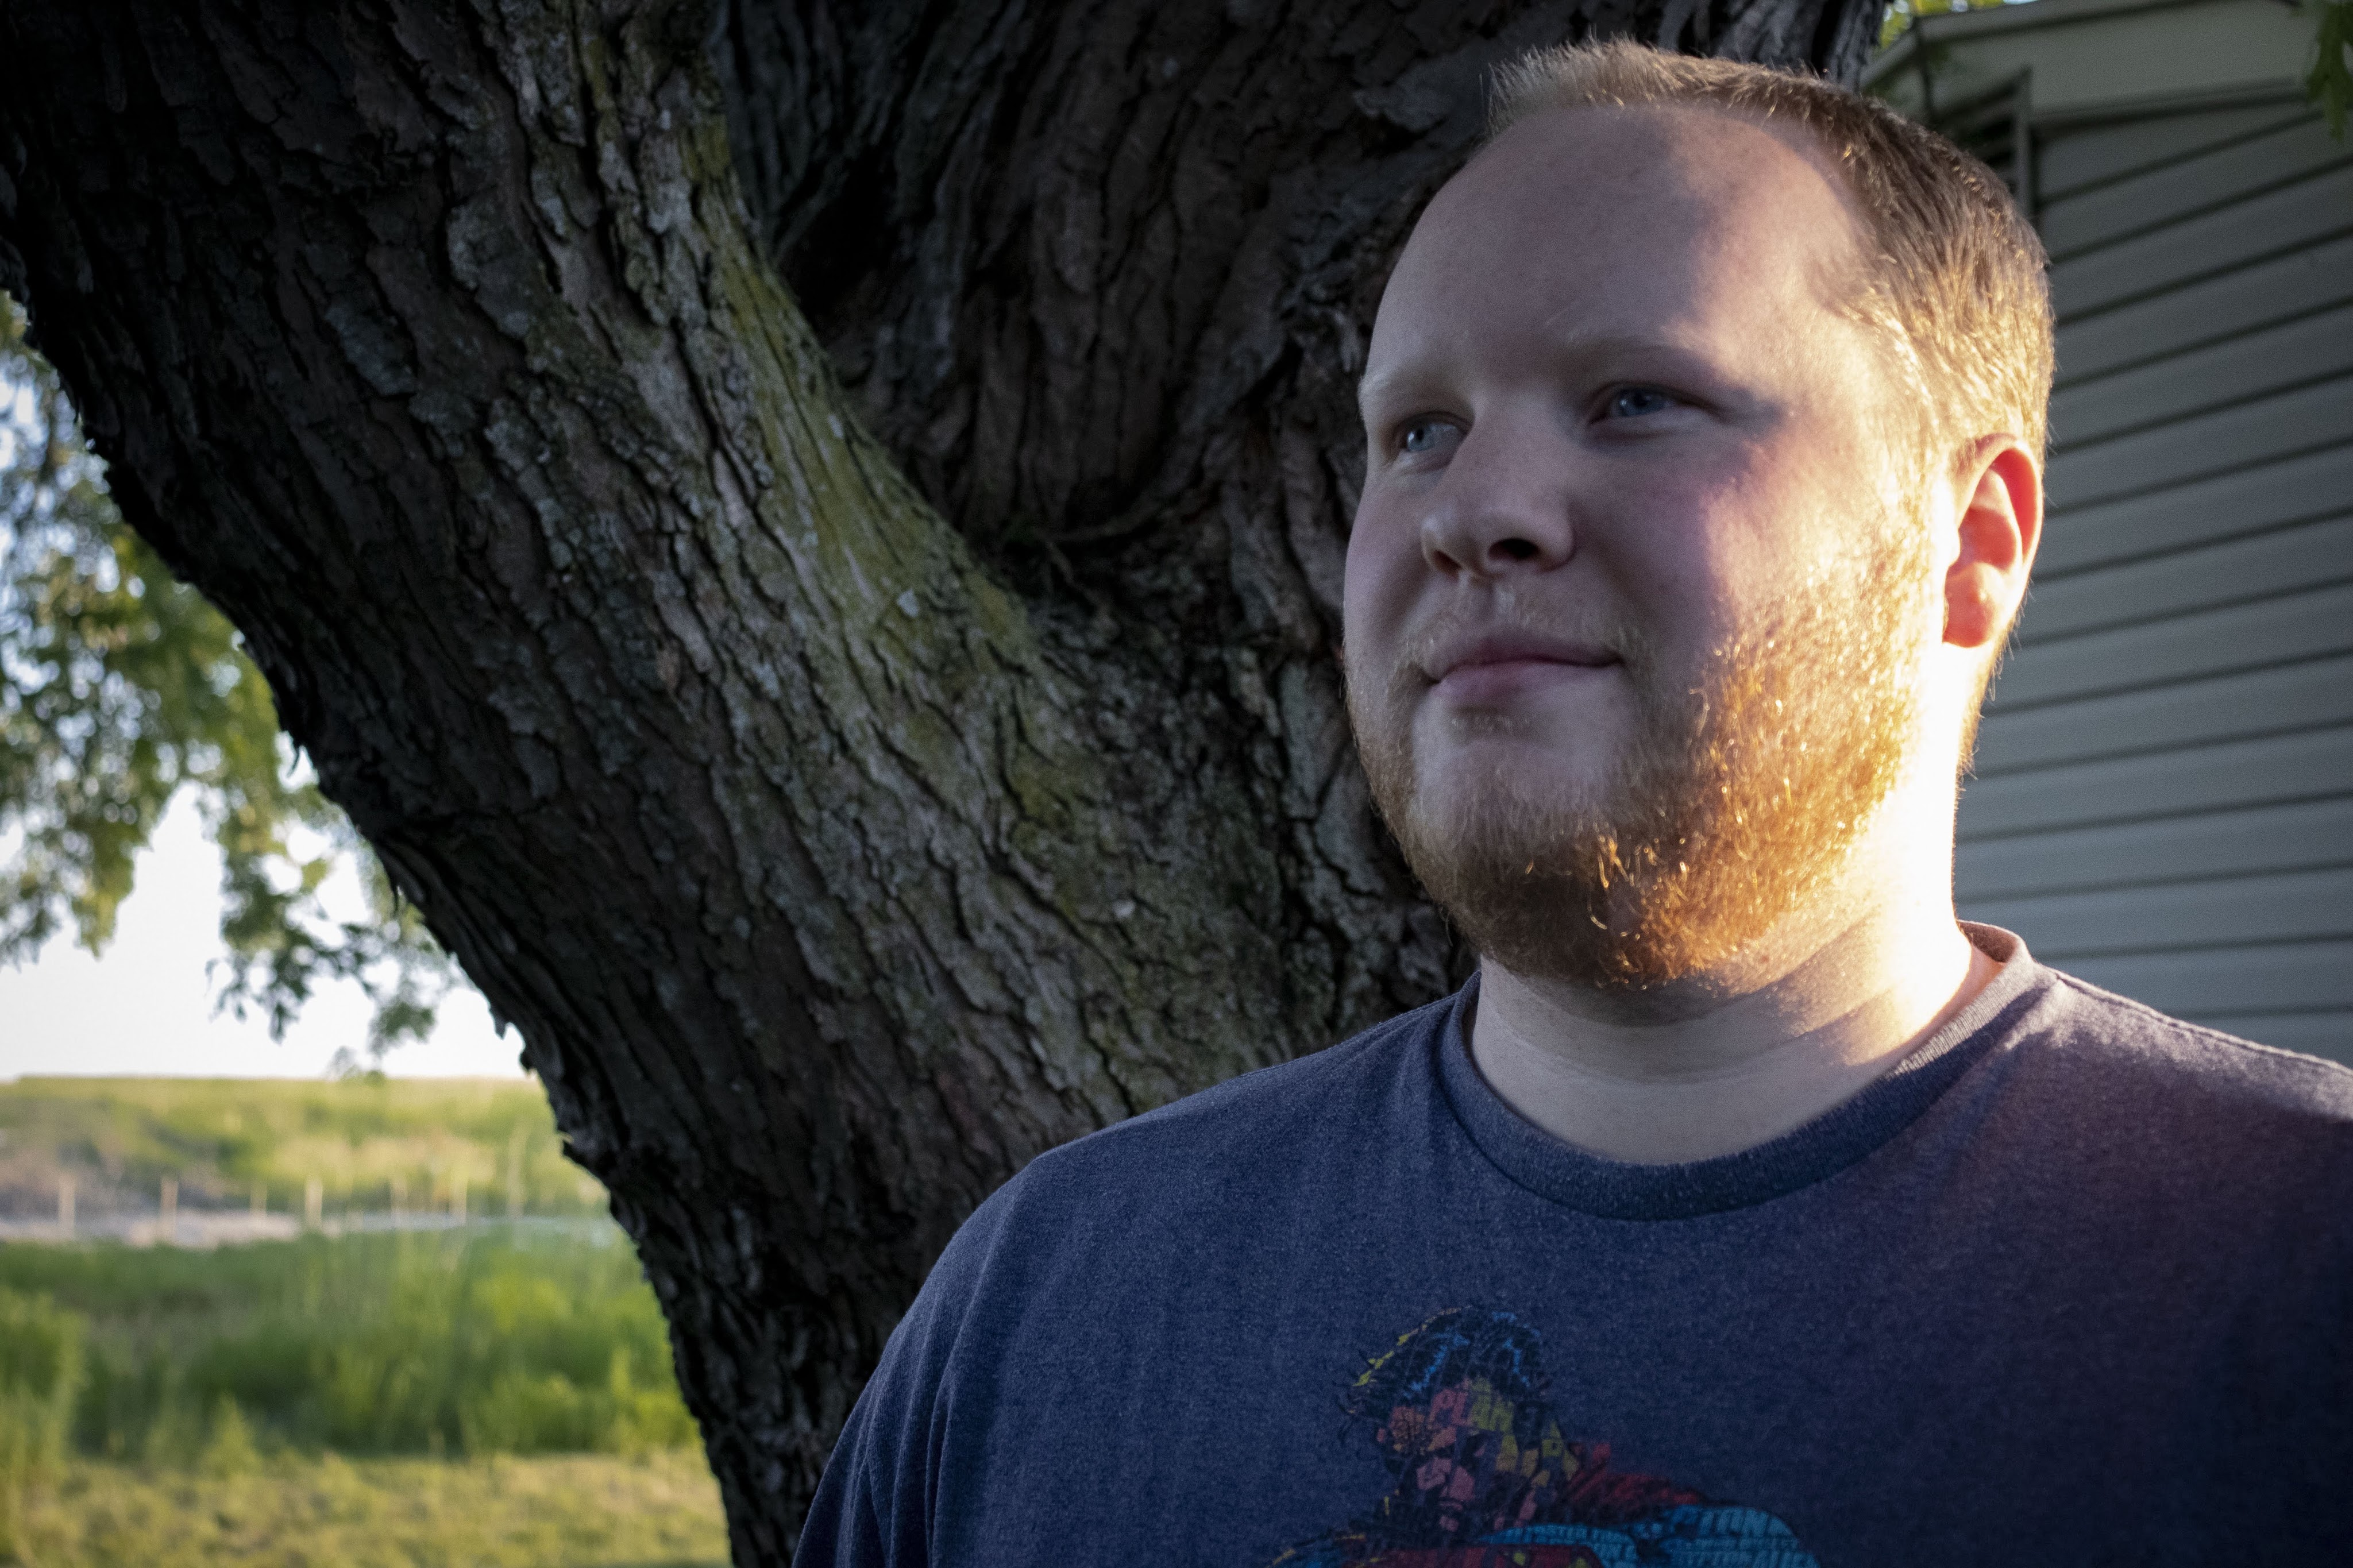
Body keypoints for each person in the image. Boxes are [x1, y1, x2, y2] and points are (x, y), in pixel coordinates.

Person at [794, 40, 2353, 1566]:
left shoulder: (2298, 1275)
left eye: (1635, 399)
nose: (1471, 512)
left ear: (1971, 543)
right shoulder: (1050, 1305)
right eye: (1418, 431)